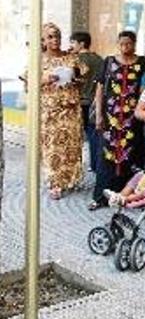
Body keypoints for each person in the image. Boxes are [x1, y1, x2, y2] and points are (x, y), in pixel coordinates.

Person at [91, 30, 145, 210]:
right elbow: (99, 89)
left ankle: (126, 196)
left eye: (128, 44)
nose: (125, 47)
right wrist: (98, 115)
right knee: (106, 156)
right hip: (110, 117)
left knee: (131, 155)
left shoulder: (142, 62)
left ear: (134, 44)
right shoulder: (109, 62)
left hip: (132, 119)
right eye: (122, 44)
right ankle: (100, 197)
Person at [36, 23, 86, 199]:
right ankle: (54, 182)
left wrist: (75, 81)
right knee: (52, 146)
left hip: (71, 109)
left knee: (71, 145)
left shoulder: (71, 57)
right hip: (50, 111)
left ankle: (70, 179)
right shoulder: (37, 60)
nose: (54, 39)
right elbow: (29, 86)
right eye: (50, 36)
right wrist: (46, 80)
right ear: (43, 40)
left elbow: (82, 80)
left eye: (57, 35)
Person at [70, 31, 103, 172]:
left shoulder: (75, 59)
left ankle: (75, 167)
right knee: (94, 134)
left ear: (81, 43)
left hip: (80, 101)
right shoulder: (99, 59)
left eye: (73, 42)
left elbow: (72, 79)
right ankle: (95, 164)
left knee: (77, 135)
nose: (71, 45)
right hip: (96, 102)